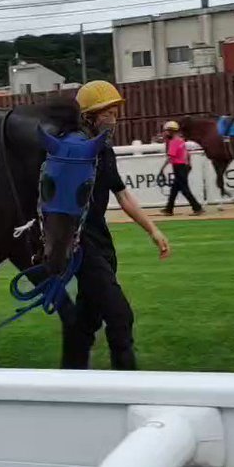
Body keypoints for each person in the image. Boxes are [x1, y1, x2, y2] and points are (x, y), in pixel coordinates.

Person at [63, 79, 170, 371]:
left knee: (86, 319)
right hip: (82, 246)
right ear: (89, 117)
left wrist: (153, 229)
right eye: (107, 113)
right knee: (120, 316)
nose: (114, 118)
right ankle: (126, 385)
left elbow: (122, 194)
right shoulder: (74, 152)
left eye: (115, 112)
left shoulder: (104, 150)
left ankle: (68, 379)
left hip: (102, 242)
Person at [159, 120, 203, 216]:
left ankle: (197, 207)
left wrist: (162, 169)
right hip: (184, 166)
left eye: (166, 131)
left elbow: (170, 156)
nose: (164, 133)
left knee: (184, 189)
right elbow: (187, 154)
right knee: (174, 189)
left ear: (170, 131)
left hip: (179, 167)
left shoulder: (174, 142)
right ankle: (169, 209)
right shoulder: (180, 140)